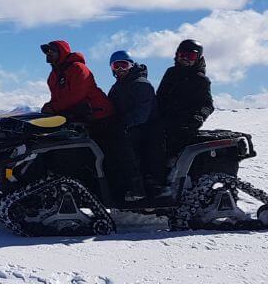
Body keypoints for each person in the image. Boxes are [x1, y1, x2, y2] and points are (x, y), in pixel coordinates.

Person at [39, 41, 134, 198]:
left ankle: (119, 189)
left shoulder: (77, 68)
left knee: (108, 154)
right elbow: (59, 98)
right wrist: (52, 109)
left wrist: (52, 108)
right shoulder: (54, 76)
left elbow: (76, 96)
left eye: (51, 51)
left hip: (100, 116)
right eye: (47, 51)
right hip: (79, 118)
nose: (48, 54)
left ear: (61, 52)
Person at [106, 51, 166, 198]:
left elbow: (142, 114)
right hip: (133, 125)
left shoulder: (141, 84)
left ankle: (136, 186)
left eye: (124, 65)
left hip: (148, 128)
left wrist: (122, 124)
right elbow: (110, 106)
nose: (120, 69)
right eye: (116, 66)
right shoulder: (118, 87)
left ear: (131, 66)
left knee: (122, 143)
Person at [156, 39, 214, 155]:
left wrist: (198, 117)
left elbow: (207, 104)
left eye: (191, 56)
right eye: (182, 55)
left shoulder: (201, 80)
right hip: (164, 122)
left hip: (185, 125)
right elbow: (160, 97)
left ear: (198, 58)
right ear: (177, 55)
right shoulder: (171, 73)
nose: (186, 59)